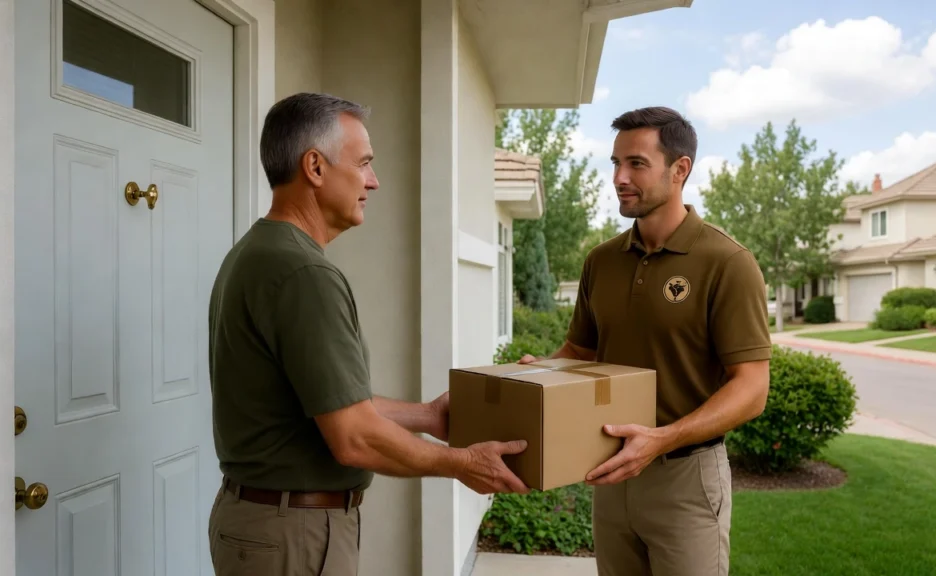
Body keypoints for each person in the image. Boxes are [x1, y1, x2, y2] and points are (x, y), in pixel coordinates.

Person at [207, 92, 528, 576]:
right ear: (314, 167)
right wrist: (462, 463)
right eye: (364, 164)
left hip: (269, 525)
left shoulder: (257, 253)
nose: (373, 182)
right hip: (292, 535)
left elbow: (334, 406)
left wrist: (427, 416)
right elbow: (353, 437)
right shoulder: (302, 273)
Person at [519, 106, 771, 576]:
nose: (619, 177)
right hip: (609, 471)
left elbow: (752, 387)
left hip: (685, 479)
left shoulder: (727, 262)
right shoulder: (602, 260)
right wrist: (539, 376)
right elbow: (580, 352)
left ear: (680, 170)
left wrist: (660, 440)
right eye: (615, 163)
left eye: (636, 163)